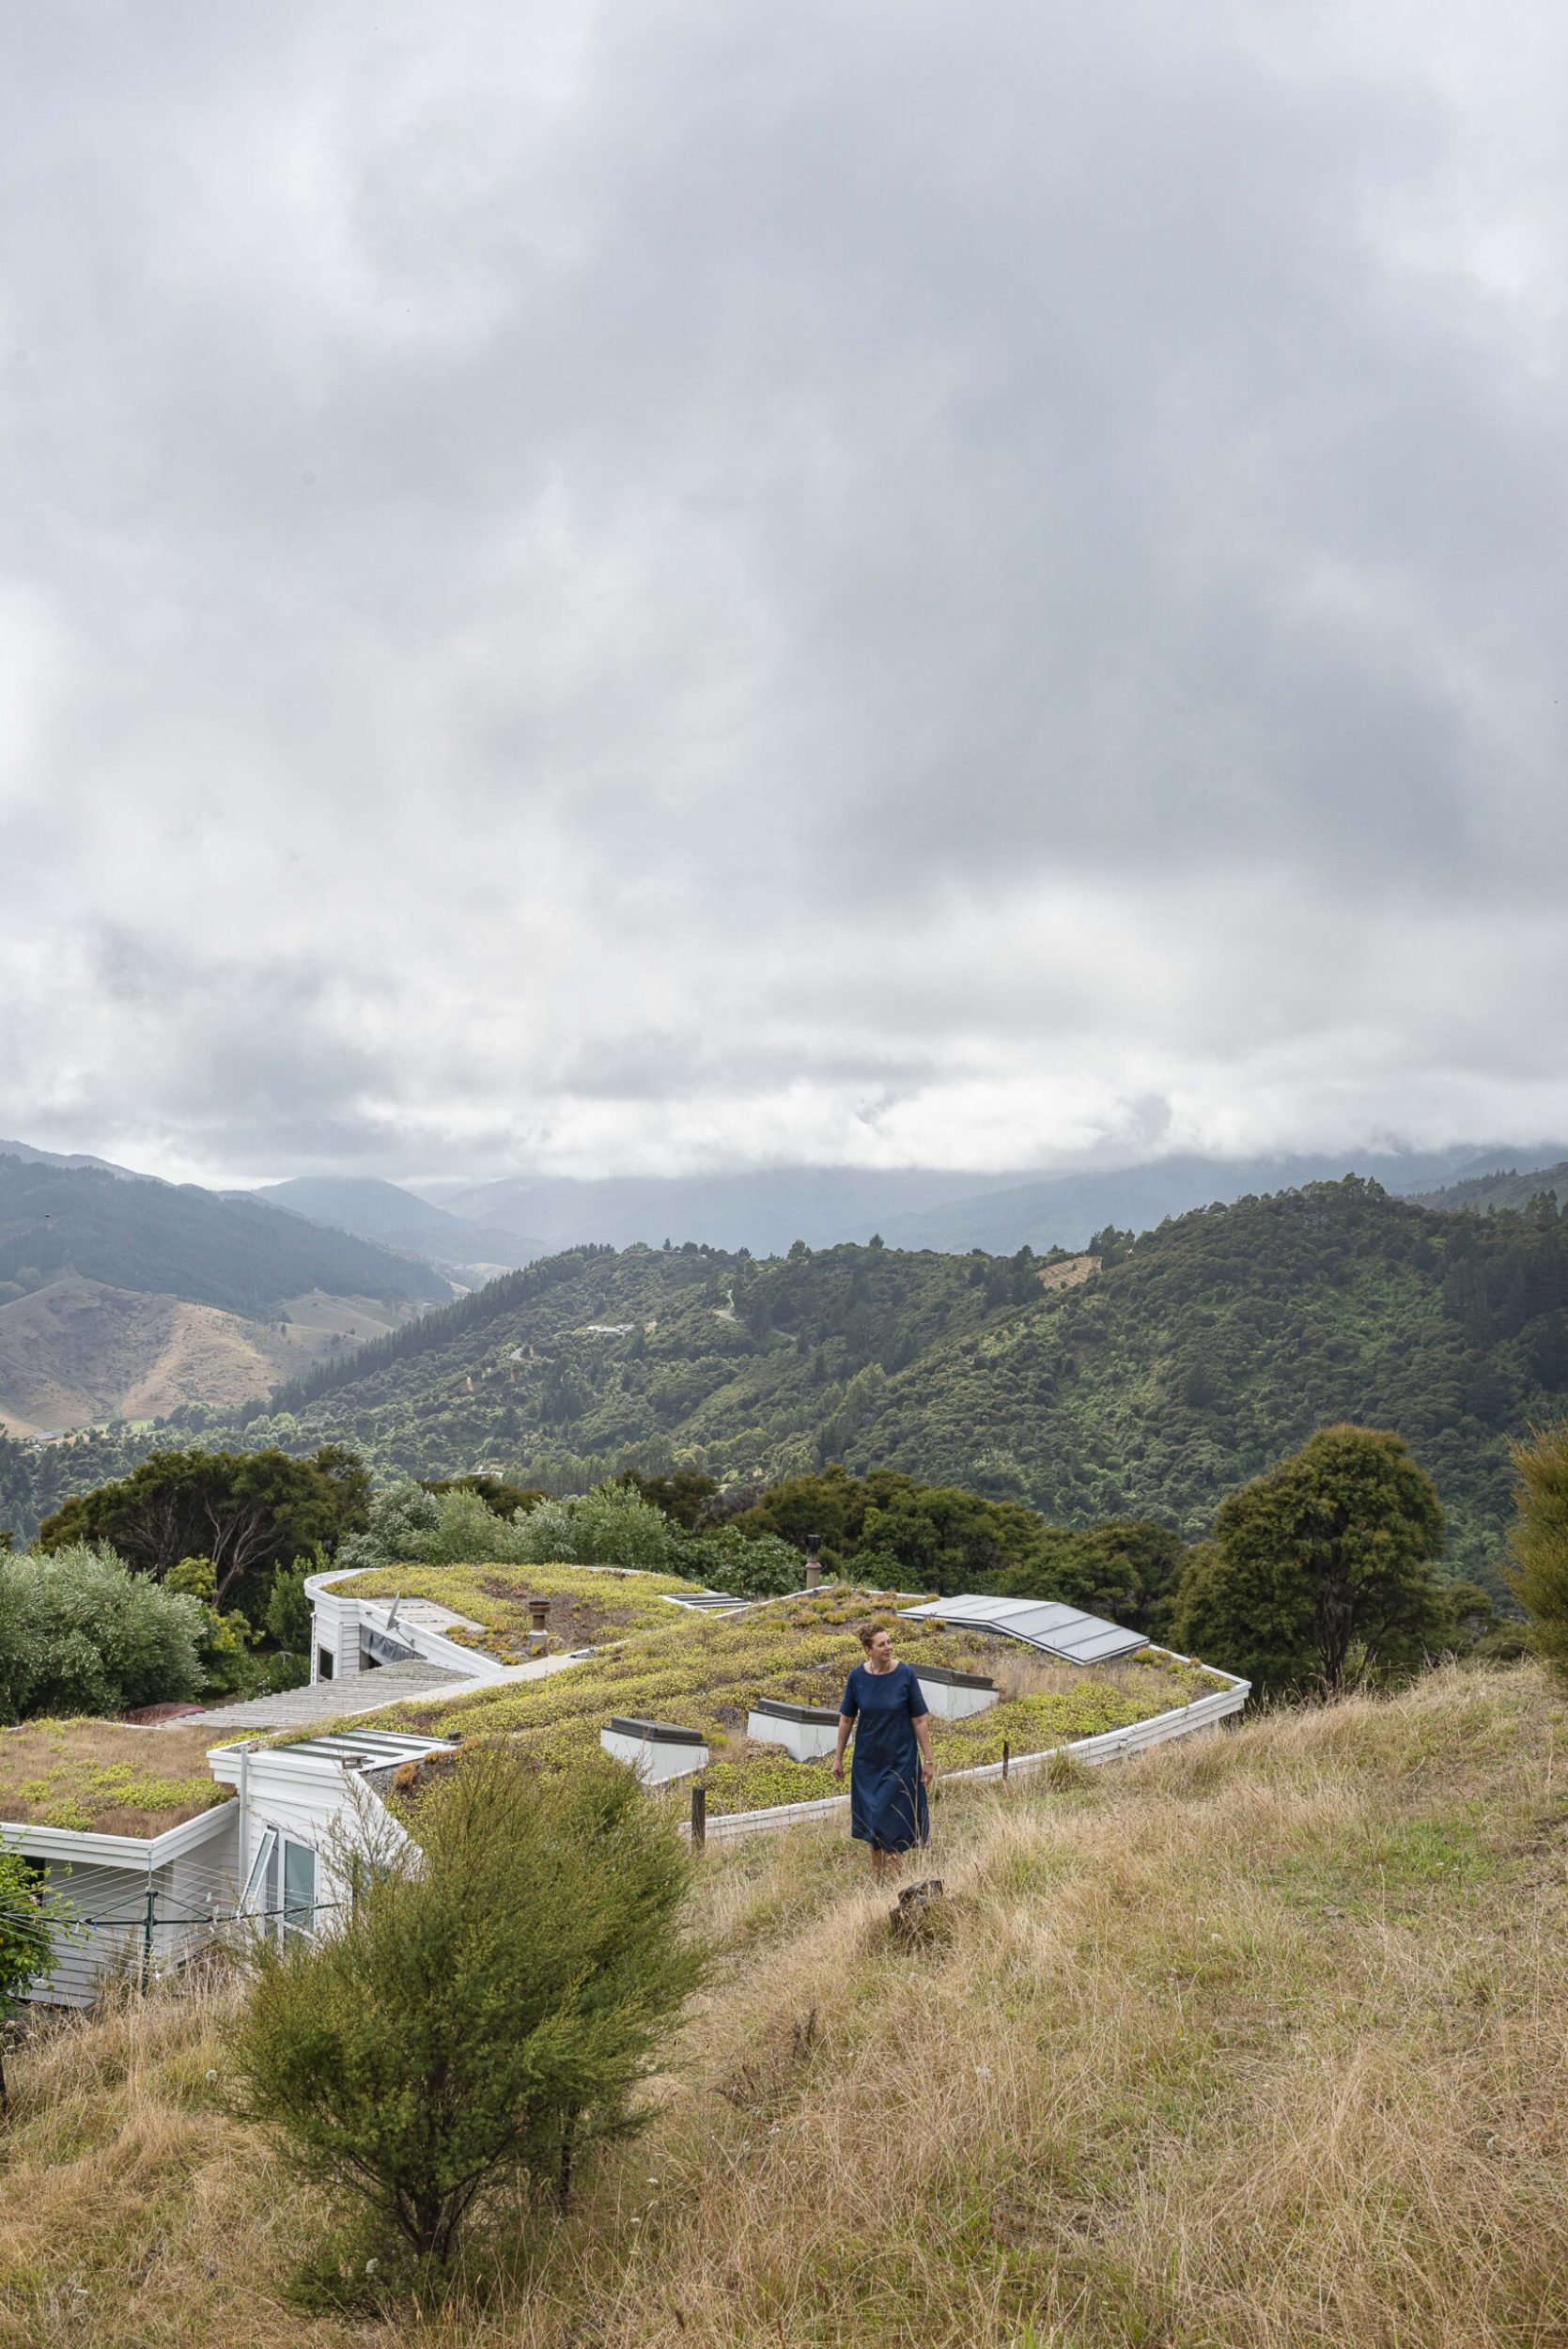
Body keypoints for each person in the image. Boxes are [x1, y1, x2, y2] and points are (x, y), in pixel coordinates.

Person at [831, 1619, 935, 1878]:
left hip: (901, 1760)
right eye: (882, 1644)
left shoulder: (906, 1675)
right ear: (869, 1650)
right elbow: (846, 1719)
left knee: (892, 1820)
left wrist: (929, 1759)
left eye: (889, 1642)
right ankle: (877, 1877)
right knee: (873, 1820)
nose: (889, 1647)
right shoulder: (857, 1678)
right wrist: (838, 1759)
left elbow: (919, 1719)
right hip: (868, 1762)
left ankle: (900, 1881)